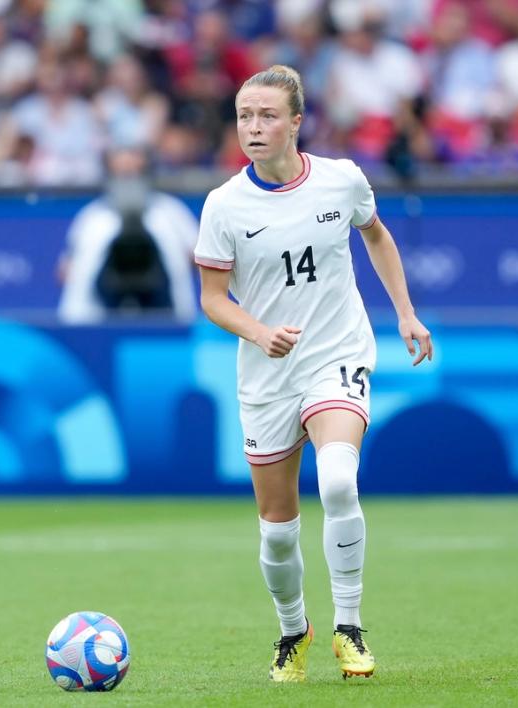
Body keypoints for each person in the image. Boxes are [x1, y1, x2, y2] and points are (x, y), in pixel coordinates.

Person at [194, 65, 433, 682]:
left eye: (268, 115)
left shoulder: (340, 181)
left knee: (337, 482)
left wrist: (405, 313)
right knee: (277, 530)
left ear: (296, 122)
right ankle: (291, 631)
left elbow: (376, 236)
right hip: (269, 374)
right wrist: (258, 331)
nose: (254, 126)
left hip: (336, 353)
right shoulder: (224, 205)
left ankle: (348, 627)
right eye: (245, 115)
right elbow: (213, 298)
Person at [58, 145, 199, 324]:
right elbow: (65, 271)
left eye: (133, 159)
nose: (127, 166)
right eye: (121, 167)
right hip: (95, 320)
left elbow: (201, 258)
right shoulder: (92, 217)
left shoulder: (171, 212)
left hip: (167, 317)